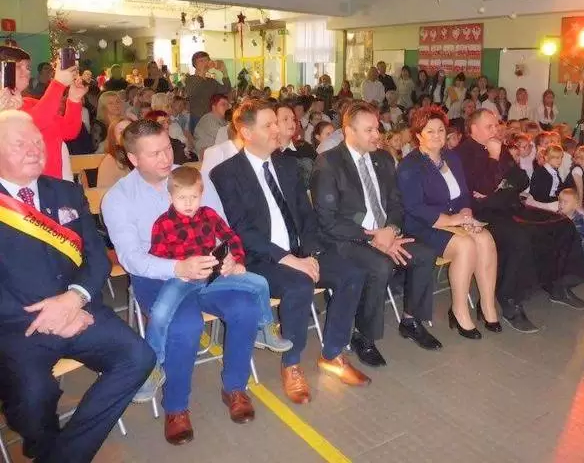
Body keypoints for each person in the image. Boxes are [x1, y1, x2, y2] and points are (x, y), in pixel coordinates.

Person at [0, 110, 154, 462]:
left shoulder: (66, 191)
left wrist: (74, 299)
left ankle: (64, 455)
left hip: (79, 309)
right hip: (19, 326)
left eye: (37, 142)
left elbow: (97, 258)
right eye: (20, 144)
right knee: (32, 396)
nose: (34, 149)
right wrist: (49, 316)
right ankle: (47, 447)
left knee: (138, 357)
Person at [102, 120, 262, 444]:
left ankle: (235, 386)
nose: (166, 158)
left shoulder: (192, 178)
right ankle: (176, 406)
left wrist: (230, 257)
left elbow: (222, 227)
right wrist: (177, 268)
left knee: (246, 307)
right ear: (133, 158)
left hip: (206, 267)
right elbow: (131, 258)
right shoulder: (118, 198)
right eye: (155, 153)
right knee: (185, 324)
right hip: (157, 277)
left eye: (168, 148)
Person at [210, 99, 369, 404]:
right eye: (268, 125)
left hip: (299, 252)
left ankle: (333, 354)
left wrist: (310, 254)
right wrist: (289, 259)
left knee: (352, 273)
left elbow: (306, 215)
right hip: (260, 259)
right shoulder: (226, 173)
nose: (277, 129)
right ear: (246, 132)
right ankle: (292, 364)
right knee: (299, 284)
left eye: (277, 122)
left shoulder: (286, 165)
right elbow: (242, 230)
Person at [140, 165, 291, 393]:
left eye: (194, 197)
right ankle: (153, 366)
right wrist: (177, 269)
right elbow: (158, 258)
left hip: (213, 276)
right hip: (181, 280)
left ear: (201, 195)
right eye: (182, 198)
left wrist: (236, 260)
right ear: (170, 197)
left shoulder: (208, 214)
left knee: (260, 283)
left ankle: (265, 328)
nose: (189, 203)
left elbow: (231, 237)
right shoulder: (162, 224)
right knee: (160, 313)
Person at [312, 101, 442, 366]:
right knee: (380, 265)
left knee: (425, 254)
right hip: (348, 239)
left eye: (377, 128)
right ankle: (363, 336)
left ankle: (411, 320)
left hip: (386, 233)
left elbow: (396, 202)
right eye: (369, 130)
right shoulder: (329, 162)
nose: (377, 135)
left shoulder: (382, 159)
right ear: (349, 131)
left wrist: (390, 231)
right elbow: (328, 220)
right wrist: (372, 236)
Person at [456, 110, 584, 332]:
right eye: (489, 126)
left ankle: (559, 285)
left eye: (496, 125)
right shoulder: (463, 153)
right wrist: (494, 162)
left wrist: (498, 186)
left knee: (562, 223)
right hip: (484, 214)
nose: (495, 130)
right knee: (517, 237)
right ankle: (510, 301)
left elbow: (520, 179)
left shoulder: (498, 146)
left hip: (510, 205)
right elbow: (482, 187)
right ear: (473, 129)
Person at [397, 106, 500, 338]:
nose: (437, 136)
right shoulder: (410, 165)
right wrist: (453, 220)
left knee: (485, 239)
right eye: (430, 131)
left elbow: (463, 194)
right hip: (423, 226)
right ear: (418, 135)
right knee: (466, 246)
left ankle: (487, 306)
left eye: (441, 130)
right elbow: (415, 208)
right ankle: (459, 310)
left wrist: (466, 215)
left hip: (454, 220)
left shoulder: (451, 157)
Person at [0, 46, 86, 179]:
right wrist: (58, 84)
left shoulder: (32, 103)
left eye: (27, 67)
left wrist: (74, 99)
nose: (26, 71)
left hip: (51, 185)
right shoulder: (5, 109)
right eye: (18, 66)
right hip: (21, 187)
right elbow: (33, 125)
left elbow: (69, 131)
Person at [185, 51, 231, 132]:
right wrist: (202, 73)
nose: (205, 63)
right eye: (201, 61)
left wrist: (224, 72)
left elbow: (226, 89)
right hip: (197, 118)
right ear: (195, 65)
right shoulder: (190, 79)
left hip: (210, 117)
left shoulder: (211, 81)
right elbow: (191, 92)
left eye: (206, 60)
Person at [557, 188, 584, 266]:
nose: (561, 205)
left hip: (578, 253)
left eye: (565, 202)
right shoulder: (555, 217)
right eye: (560, 201)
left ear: (575, 205)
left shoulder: (580, 220)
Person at [96, 119, 133, 189]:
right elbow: (103, 192)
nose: (128, 135)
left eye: (131, 130)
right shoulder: (111, 161)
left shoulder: (140, 154)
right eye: (122, 132)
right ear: (115, 140)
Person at [193, 93, 231, 159]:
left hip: (216, 154)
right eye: (223, 104)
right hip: (204, 157)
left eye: (227, 105)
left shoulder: (224, 120)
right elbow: (226, 137)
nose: (227, 107)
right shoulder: (208, 119)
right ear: (214, 107)